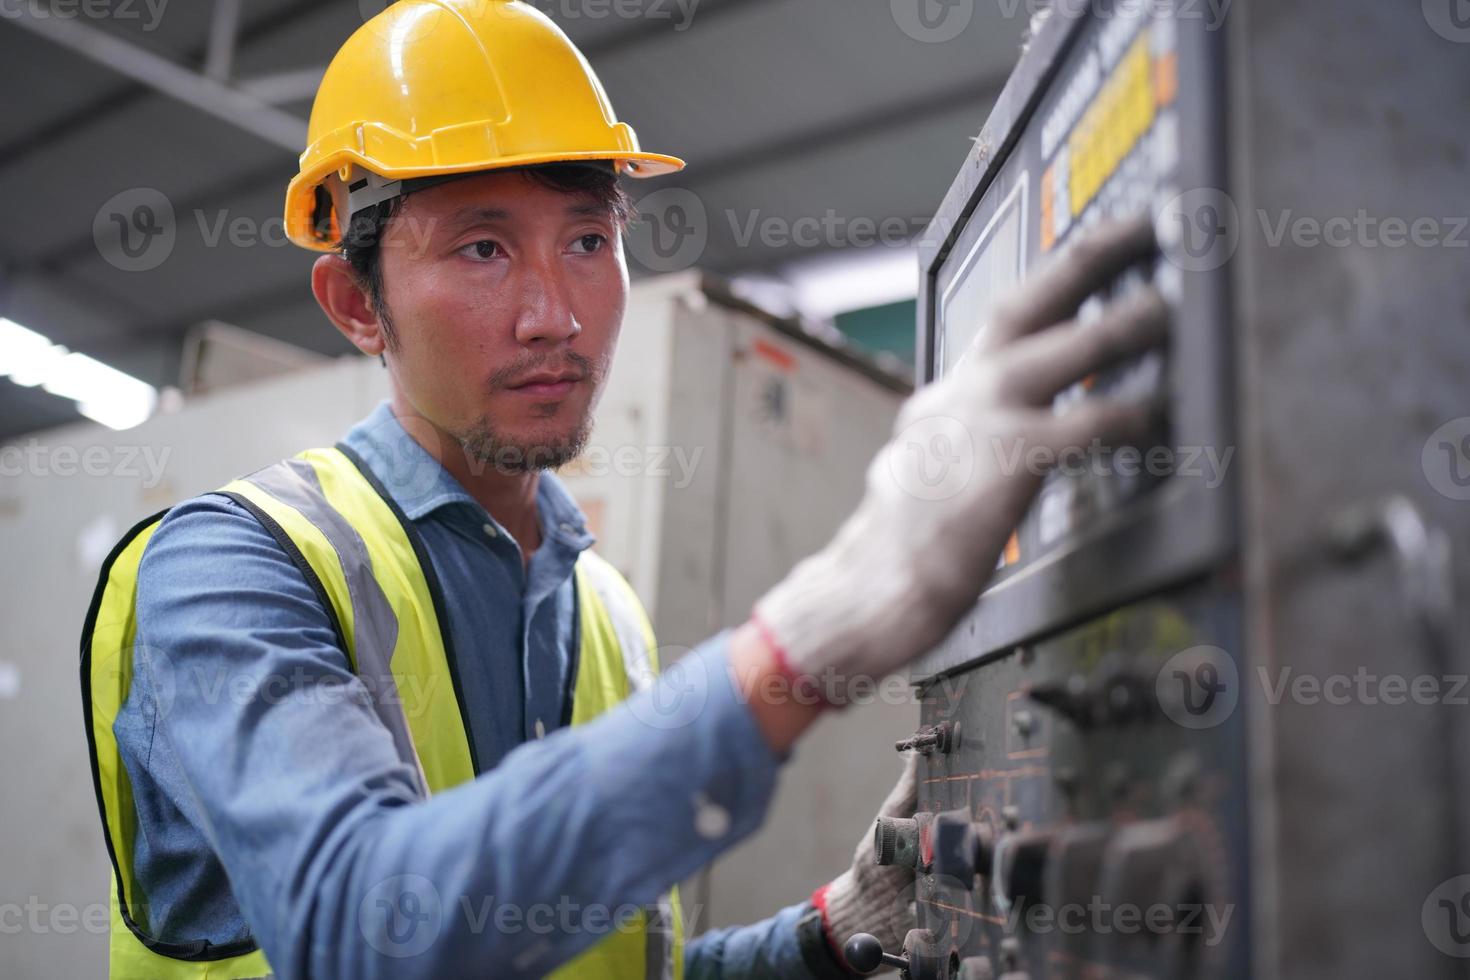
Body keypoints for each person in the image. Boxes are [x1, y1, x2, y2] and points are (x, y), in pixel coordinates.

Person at [80, 1, 1169, 977]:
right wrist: (807, 638)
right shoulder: (228, 572)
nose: (554, 312)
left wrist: (829, 932)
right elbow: (366, 925)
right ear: (356, 304)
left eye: (589, 239)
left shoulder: (601, 616)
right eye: (480, 249)